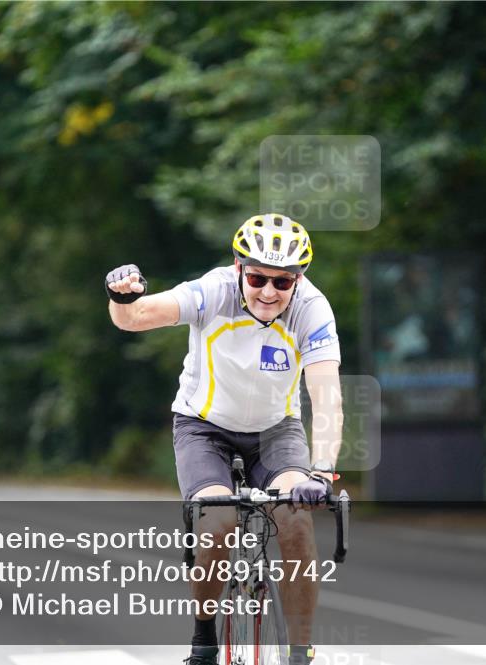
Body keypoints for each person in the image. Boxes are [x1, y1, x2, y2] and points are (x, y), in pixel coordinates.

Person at [106, 214, 343, 665]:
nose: (269, 292)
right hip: (204, 428)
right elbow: (133, 318)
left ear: (299, 280)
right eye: (257, 278)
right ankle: (203, 638)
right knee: (218, 523)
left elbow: (327, 394)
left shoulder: (312, 310)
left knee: (295, 519)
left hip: (276, 430)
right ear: (239, 269)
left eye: (283, 282)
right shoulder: (212, 291)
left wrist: (320, 471)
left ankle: (300, 651)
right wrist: (121, 297)